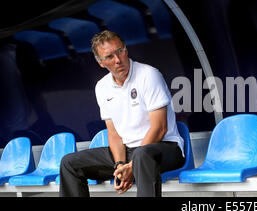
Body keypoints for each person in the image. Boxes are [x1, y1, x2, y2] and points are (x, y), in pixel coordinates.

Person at [59, 30, 185, 197]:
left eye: (120, 51)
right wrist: (120, 165)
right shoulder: (102, 87)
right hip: (129, 152)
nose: (118, 60)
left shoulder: (148, 75)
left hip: (165, 148)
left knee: (142, 155)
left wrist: (132, 166)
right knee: (69, 163)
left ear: (126, 50)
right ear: (101, 63)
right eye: (110, 56)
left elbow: (160, 128)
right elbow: (114, 133)